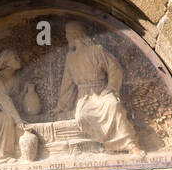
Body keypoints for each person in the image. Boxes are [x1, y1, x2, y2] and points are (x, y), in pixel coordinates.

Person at [57, 21, 143, 156]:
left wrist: (111, 88)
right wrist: (62, 105)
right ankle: (108, 145)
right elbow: (67, 83)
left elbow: (114, 68)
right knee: (82, 116)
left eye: (67, 35)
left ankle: (131, 145)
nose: (67, 38)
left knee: (113, 104)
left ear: (74, 35)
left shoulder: (97, 50)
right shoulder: (70, 58)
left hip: (102, 91)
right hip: (84, 96)